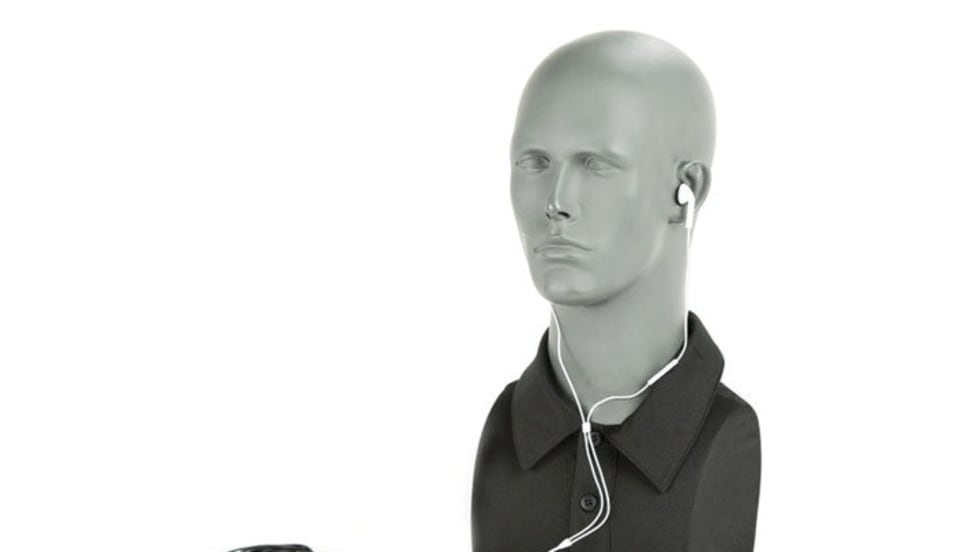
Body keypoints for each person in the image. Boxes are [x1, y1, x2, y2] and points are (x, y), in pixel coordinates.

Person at [471, 30, 762, 552]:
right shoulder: (506, 433)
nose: (556, 202)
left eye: (595, 164)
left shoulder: (724, 435)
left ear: (686, 189)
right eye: (534, 163)